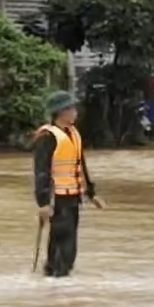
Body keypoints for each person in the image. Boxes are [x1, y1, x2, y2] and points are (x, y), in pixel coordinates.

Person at [33, 91, 104, 279]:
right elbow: (41, 171)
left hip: (73, 197)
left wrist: (91, 193)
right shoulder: (48, 137)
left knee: (66, 243)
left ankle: (55, 279)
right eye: (71, 108)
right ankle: (58, 280)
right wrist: (43, 203)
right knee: (64, 244)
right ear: (61, 112)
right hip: (58, 198)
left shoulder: (73, 134)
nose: (75, 112)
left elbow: (81, 166)